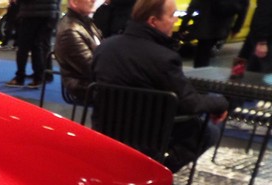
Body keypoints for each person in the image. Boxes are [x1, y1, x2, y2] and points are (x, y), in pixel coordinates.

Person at [91, 0, 228, 173]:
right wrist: (220, 103)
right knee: (208, 131)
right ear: (153, 21)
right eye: (172, 16)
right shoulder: (164, 58)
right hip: (146, 138)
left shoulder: (105, 48)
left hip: (105, 130)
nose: (176, 20)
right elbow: (190, 102)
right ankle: (158, 172)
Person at [54, 0, 102, 103]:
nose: (94, 0)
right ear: (74, 2)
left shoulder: (86, 22)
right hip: (85, 87)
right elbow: (92, 68)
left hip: (95, 82)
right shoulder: (70, 31)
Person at [6, 0, 59, 88]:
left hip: (31, 13)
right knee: (38, 46)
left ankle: (20, 77)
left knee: (23, 47)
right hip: (49, 13)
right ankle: (38, 77)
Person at [178, 0, 247, 67]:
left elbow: (193, 6)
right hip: (222, 27)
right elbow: (243, 10)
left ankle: (200, 71)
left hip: (205, 26)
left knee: (202, 56)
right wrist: (236, 28)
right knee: (207, 52)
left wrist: (183, 25)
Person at [237, 0, 272, 72]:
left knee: (243, 64)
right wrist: (262, 41)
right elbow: (263, 14)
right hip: (264, 38)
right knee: (257, 70)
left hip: (260, 36)